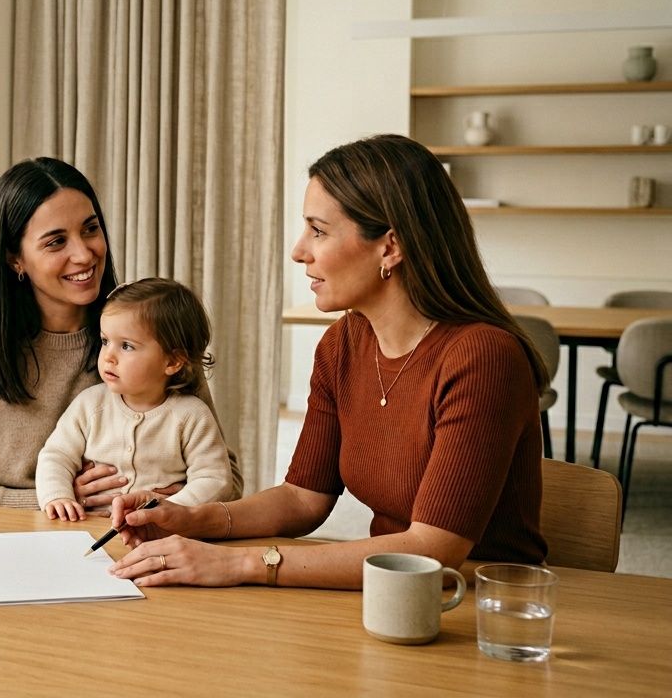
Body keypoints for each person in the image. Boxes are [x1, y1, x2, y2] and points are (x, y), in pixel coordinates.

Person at [108, 134, 547, 589]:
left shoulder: (484, 358)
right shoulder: (342, 343)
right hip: (392, 595)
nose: (300, 250)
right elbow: (303, 498)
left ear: (390, 247)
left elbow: (433, 548)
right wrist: (191, 518)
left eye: (318, 231)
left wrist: (240, 564)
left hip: (486, 605)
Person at [0, 158, 242, 510]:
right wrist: (56, 499)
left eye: (90, 229)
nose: (84, 254)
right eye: (56, 242)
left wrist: (164, 503)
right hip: (14, 544)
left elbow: (227, 477)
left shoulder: (150, 333)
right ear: (14, 259)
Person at [37, 278, 237, 520]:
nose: (108, 356)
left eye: (127, 346)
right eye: (105, 341)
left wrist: (169, 509)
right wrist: (58, 495)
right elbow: (56, 455)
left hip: (162, 533)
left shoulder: (191, 416)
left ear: (173, 361)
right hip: (88, 527)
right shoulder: (89, 404)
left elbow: (215, 480)